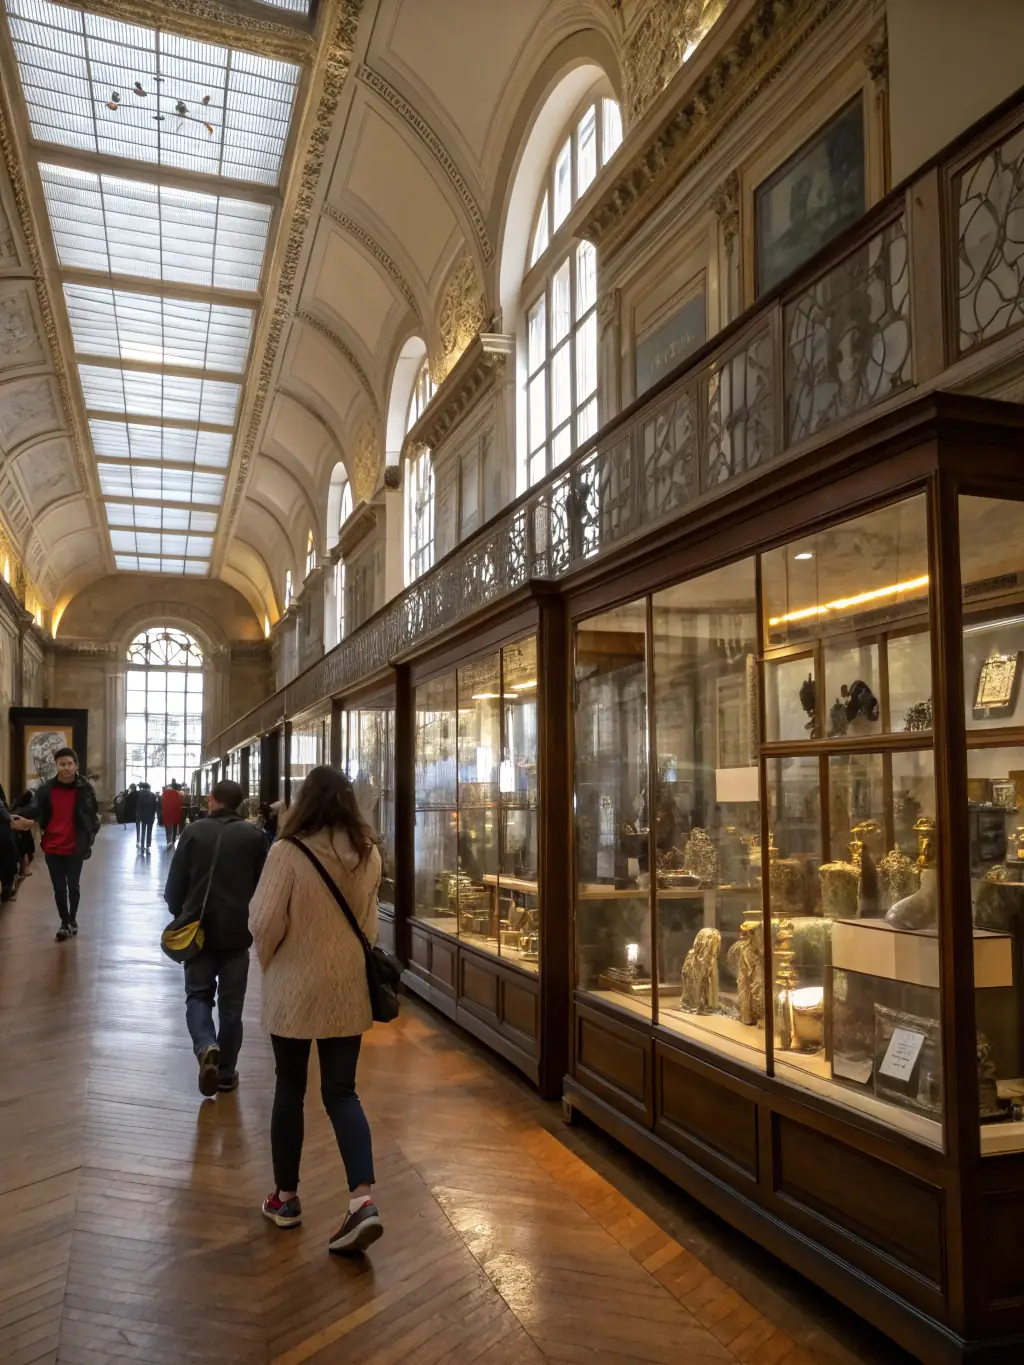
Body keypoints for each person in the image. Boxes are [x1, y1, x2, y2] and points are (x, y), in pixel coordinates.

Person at [249, 764, 382, 1255]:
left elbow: (263, 921)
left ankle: (286, 1198)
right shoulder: (369, 855)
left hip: (293, 985)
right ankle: (361, 1200)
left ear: (303, 802)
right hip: (347, 986)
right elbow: (368, 928)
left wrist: (274, 962)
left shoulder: (287, 852)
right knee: (342, 1092)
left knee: (289, 1087)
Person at [164, 778, 267, 1097]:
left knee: (197, 995)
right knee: (231, 1007)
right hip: (237, 933)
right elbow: (263, 887)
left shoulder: (193, 832)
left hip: (199, 929)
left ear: (211, 800)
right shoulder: (255, 836)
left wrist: (179, 913)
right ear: (239, 804)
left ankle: (206, 1044)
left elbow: (174, 887)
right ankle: (225, 1073)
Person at [12, 748, 99, 941]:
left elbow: (92, 816)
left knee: (73, 886)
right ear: (57, 766)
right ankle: (64, 922)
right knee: (59, 888)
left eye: (69, 764)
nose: (66, 768)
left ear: (76, 765)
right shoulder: (47, 790)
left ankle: (72, 920)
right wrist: (20, 816)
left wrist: (89, 838)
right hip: (53, 846)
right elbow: (35, 808)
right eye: (62, 764)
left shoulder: (84, 789)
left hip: (75, 846)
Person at [136, 782, 158, 852]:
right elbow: (155, 806)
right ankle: (148, 845)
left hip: (142, 815)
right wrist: (154, 815)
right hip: (150, 815)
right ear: (148, 787)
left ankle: (142, 845)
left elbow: (138, 805)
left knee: (143, 830)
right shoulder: (153, 795)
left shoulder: (139, 794)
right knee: (149, 831)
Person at [161, 779, 184, 846]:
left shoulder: (165, 793)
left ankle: (168, 840)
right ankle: (173, 840)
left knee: (167, 827)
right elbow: (180, 803)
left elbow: (162, 802)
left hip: (166, 813)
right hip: (175, 813)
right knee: (174, 826)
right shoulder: (178, 793)